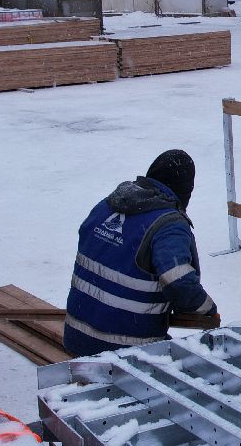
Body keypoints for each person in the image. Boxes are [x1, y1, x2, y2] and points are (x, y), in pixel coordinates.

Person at [64, 150, 220, 356]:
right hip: (125, 349)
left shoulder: (107, 206)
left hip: (76, 338)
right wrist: (207, 310)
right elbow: (179, 283)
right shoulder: (168, 225)